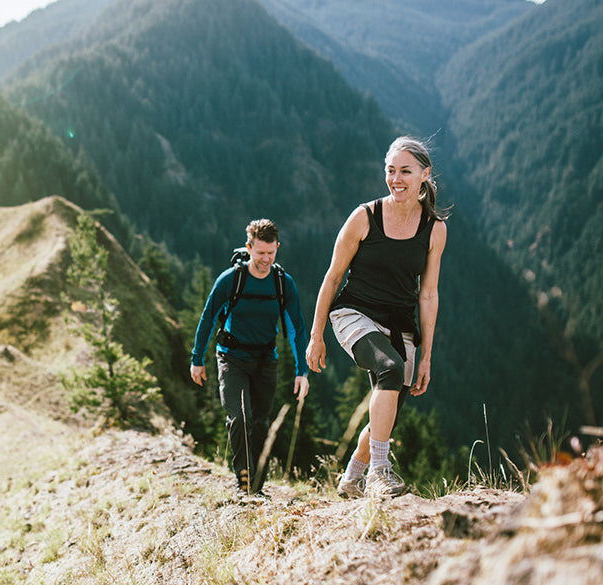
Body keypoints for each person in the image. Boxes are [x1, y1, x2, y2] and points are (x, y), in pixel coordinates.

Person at [306, 136, 448, 498]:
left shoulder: (434, 229)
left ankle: (353, 476)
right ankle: (379, 473)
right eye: (390, 170)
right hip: (354, 312)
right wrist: (316, 333)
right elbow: (333, 277)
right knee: (390, 369)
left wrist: (427, 354)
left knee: (387, 411)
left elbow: (428, 294)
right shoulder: (364, 217)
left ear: (424, 175)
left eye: (405, 171)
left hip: (401, 324)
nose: (396, 179)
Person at [191, 219, 310, 495]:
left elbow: (297, 328)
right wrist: (197, 359)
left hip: (266, 360)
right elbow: (208, 319)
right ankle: (244, 483)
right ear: (249, 248)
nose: (266, 259)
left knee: (260, 422)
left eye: (271, 252)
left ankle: (257, 486)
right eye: (260, 253)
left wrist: (301, 371)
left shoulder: (283, 284)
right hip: (232, 357)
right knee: (240, 418)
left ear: (277, 248)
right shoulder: (231, 279)